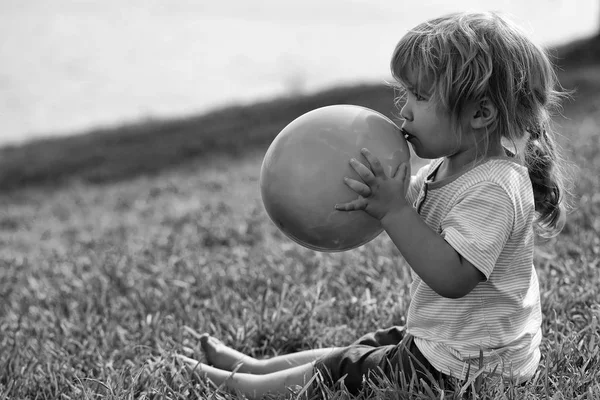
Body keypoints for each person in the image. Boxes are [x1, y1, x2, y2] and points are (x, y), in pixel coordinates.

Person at [176, 11, 569, 398]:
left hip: (469, 370)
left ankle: (246, 387)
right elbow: (413, 206)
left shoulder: (494, 187)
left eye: (420, 96)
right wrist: (370, 195)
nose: (404, 109)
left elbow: (454, 278)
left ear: (480, 113)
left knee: (343, 369)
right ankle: (258, 367)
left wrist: (395, 211)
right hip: (460, 347)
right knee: (370, 345)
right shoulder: (451, 167)